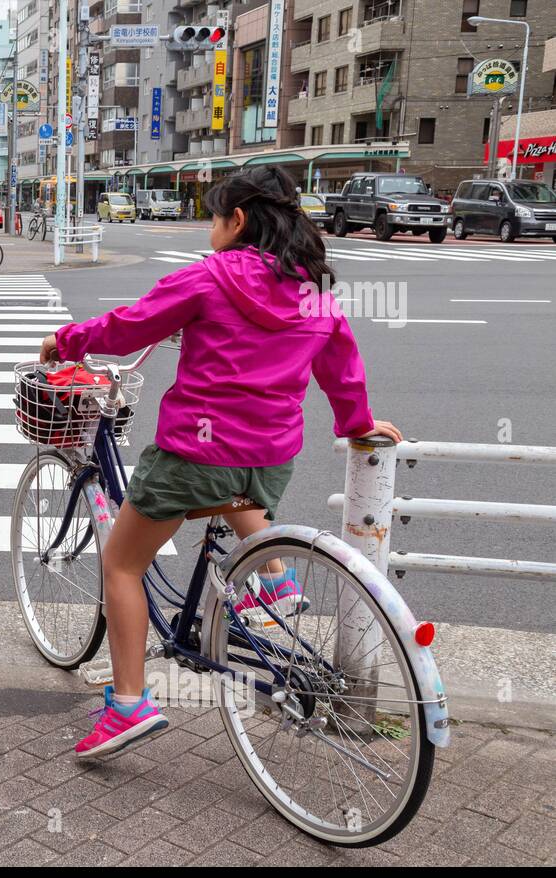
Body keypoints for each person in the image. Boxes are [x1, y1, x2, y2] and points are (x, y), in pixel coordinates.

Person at [38, 165, 402, 759]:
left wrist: (68, 339)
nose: (211, 227)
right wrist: (358, 425)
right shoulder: (314, 291)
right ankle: (275, 582)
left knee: (122, 565)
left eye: (214, 216)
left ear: (236, 221)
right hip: (271, 456)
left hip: (196, 453)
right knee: (240, 500)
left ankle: (128, 706)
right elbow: (342, 368)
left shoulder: (209, 278)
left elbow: (128, 328)